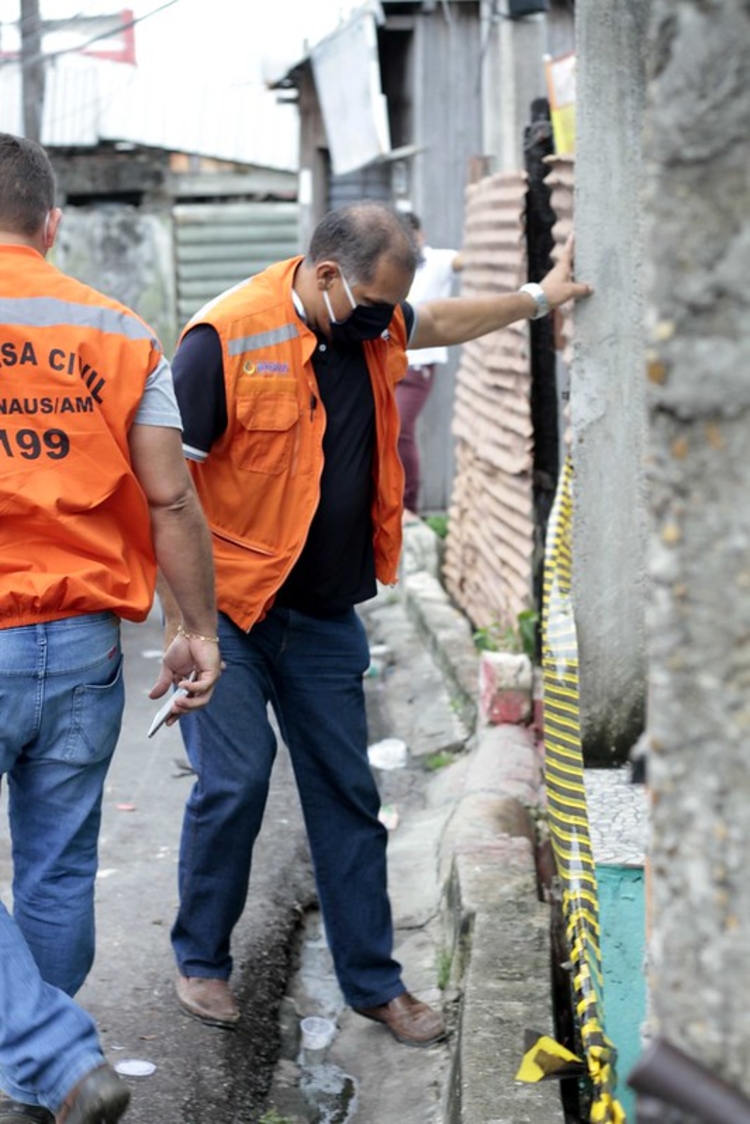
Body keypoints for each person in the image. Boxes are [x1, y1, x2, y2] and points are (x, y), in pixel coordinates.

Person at [161, 200, 591, 1046]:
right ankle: (202, 960)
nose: (385, 323)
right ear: (326, 276)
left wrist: (539, 298)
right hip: (233, 615)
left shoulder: (371, 321)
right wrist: (186, 624)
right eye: (371, 306)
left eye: (391, 309)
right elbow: (168, 490)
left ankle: (373, 985)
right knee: (237, 783)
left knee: (348, 797)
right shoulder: (222, 340)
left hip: (323, 615)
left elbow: (443, 320)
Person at [0, 133, 222, 1122]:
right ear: (52, 223)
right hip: (84, 640)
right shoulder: (123, 332)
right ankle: (39, 1063)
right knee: (55, 868)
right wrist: (198, 629)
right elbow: (172, 500)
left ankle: (45, 1051)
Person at [397, 212, 464, 515]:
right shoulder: (393, 265)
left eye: (412, 236)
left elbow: (464, 261)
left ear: (421, 235)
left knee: (400, 429)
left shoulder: (437, 261)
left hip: (417, 366)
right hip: (387, 361)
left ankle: (409, 505)